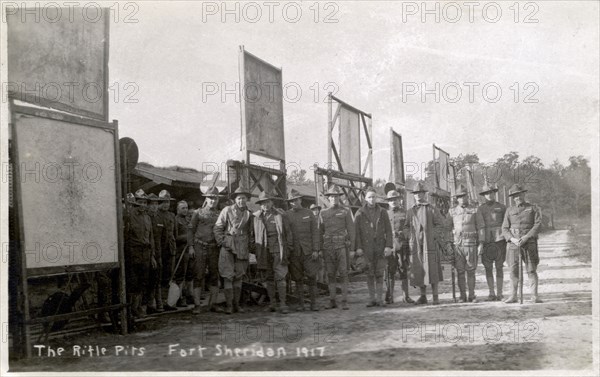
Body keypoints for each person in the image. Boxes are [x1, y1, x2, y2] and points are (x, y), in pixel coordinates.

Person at [214, 186, 254, 314]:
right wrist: (222, 241)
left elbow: (251, 232)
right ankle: (229, 306)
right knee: (227, 276)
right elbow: (218, 227)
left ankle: (237, 305)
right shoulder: (227, 210)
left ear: (247, 199)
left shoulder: (249, 214)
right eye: (239, 198)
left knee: (239, 276)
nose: (241, 201)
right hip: (228, 246)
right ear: (235, 199)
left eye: (243, 198)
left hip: (242, 247)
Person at [404, 182, 446, 305]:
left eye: (420, 193)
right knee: (419, 269)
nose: (418, 195)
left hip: (430, 244)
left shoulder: (431, 209)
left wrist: (433, 236)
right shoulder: (410, 211)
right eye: (416, 193)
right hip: (416, 244)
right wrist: (410, 236)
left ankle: (435, 296)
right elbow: (406, 227)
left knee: (432, 269)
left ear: (424, 194)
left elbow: (440, 225)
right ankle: (423, 296)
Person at [502, 184, 543, 304]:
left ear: (524, 194)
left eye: (519, 195)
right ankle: (513, 296)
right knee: (513, 270)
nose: (517, 197)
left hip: (529, 243)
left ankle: (534, 296)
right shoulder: (509, 210)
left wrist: (526, 237)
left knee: (531, 269)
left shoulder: (533, 208)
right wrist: (512, 239)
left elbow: (538, 225)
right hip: (514, 244)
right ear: (512, 198)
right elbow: (504, 228)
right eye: (515, 196)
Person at [253, 191, 292, 314]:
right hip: (264, 252)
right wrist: (255, 250)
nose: (265, 205)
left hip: (278, 252)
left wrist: (288, 248)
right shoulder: (256, 217)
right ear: (260, 204)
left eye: (267, 202)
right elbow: (251, 236)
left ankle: (283, 304)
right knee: (269, 278)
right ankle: (272, 304)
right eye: (263, 203)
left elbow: (288, 233)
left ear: (271, 202)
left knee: (280, 277)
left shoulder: (280, 215)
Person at [355, 188, 393, 307]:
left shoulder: (382, 212)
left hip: (380, 247)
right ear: (365, 199)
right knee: (369, 274)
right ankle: (372, 299)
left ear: (376, 198)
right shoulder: (360, 213)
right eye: (370, 197)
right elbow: (356, 233)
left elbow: (388, 230)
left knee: (380, 273)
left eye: (374, 197)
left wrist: (388, 246)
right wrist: (359, 247)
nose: (372, 199)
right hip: (367, 248)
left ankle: (379, 299)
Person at [187, 186, 222, 313]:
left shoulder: (220, 214)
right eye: (211, 198)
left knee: (214, 275)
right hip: (199, 246)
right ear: (206, 199)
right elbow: (190, 230)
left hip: (214, 248)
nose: (213, 201)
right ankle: (197, 305)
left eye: (215, 198)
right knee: (198, 274)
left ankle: (213, 304)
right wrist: (191, 247)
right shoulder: (198, 213)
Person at [319, 186, 355, 310]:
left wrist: (352, 249)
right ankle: (332, 300)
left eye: (336, 196)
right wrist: (319, 248)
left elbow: (351, 230)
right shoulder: (323, 213)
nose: (334, 199)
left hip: (341, 247)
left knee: (344, 273)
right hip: (328, 247)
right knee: (330, 274)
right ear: (328, 198)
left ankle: (344, 300)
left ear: (339, 197)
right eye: (332, 196)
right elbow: (319, 231)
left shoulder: (345, 211)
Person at [447, 185, 485, 303]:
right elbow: (447, 228)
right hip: (458, 246)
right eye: (459, 197)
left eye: (464, 196)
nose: (462, 199)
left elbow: (481, 227)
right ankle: (462, 296)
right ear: (457, 199)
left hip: (471, 244)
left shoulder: (475, 210)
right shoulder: (452, 211)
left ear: (467, 196)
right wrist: (448, 244)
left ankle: (472, 295)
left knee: (471, 271)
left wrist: (481, 244)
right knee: (460, 271)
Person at [286, 189, 321, 311]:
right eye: (291, 201)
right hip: (294, 252)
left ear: (300, 200)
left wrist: (316, 249)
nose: (294, 203)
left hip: (309, 251)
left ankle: (314, 303)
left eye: (296, 200)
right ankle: (301, 304)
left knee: (312, 276)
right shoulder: (287, 215)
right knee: (297, 278)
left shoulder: (309, 213)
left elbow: (315, 233)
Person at [124, 189, 156, 318]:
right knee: (133, 281)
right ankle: (131, 309)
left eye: (145, 202)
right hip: (133, 252)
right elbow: (126, 236)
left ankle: (138, 307)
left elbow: (151, 237)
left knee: (143, 281)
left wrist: (152, 256)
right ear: (136, 202)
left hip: (146, 253)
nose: (143, 205)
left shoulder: (147, 217)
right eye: (140, 202)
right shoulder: (129, 215)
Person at [477, 184, 507, 301]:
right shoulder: (481, 208)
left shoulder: (502, 207)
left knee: (499, 266)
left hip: (499, 240)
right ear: (484, 195)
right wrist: (481, 242)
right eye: (487, 193)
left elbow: (506, 224)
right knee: (488, 267)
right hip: (487, 241)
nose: (489, 195)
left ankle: (499, 293)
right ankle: (491, 293)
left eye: (491, 193)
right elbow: (480, 225)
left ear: (494, 193)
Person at [385, 189, 414, 304]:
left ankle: (405, 296)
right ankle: (390, 296)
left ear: (399, 200)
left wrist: (404, 234)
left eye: (395, 199)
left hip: (402, 245)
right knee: (390, 271)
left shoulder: (405, 213)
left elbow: (409, 228)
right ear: (388, 202)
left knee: (404, 269)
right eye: (391, 200)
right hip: (390, 245)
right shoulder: (385, 214)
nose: (393, 202)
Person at [173, 200, 192, 308]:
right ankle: (179, 298)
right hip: (181, 251)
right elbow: (175, 237)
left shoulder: (188, 220)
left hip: (189, 250)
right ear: (178, 209)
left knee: (189, 274)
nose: (185, 210)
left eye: (186, 208)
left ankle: (188, 296)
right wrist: (187, 237)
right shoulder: (176, 220)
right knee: (181, 275)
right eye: (183, 208)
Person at [158, 190, 177, 288]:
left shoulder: (172, 215)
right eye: (163, 202)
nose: (166, 204)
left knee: (170, 273)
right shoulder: (155, 215)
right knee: (159, 273)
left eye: (168, 202)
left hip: (170, 248)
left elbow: (175, 233)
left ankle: (167, 297)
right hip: (160, 248)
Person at [310, 203, 327, 285]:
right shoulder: (310, 220)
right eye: (313, 210)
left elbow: (324, 232)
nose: (315, 211)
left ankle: (322, 281)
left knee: (322, 264)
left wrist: (321, 248)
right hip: (313, 245)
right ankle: (317, 282)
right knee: (314, 264)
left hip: (321, 245)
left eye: (317, 210)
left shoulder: (321, 220)